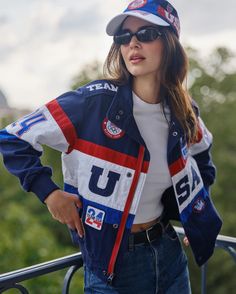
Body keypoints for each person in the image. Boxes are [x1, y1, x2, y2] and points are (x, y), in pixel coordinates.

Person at [0, 0, 222, 293]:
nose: (132, 43)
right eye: (123, 37)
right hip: (112, 267)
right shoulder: (92, 103)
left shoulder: (183, 110)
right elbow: (12, 138)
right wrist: (50, 193)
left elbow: (202, 154)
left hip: (169, 255)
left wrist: (196, 210)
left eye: (145, 34)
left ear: (169, 44)